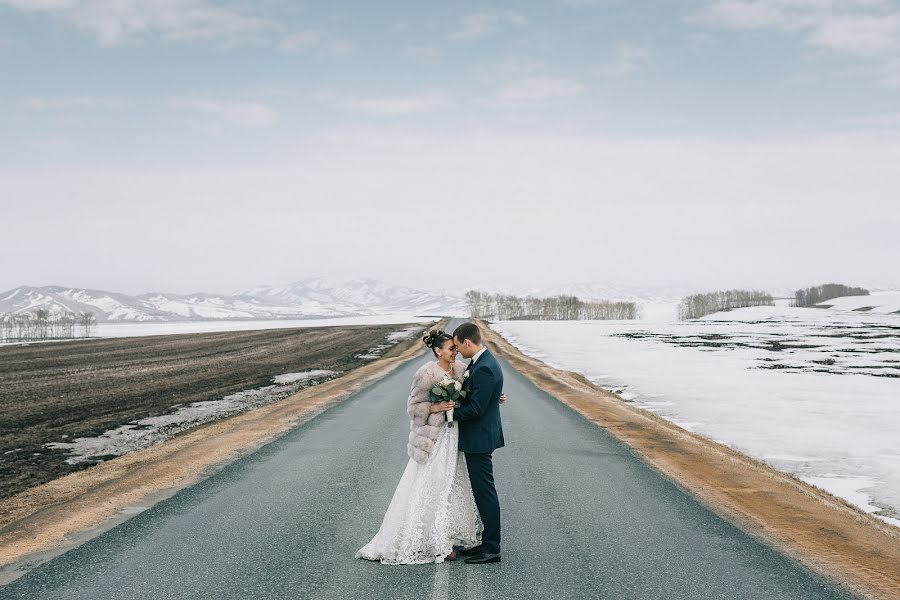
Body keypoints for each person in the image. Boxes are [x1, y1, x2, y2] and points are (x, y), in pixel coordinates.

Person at [355, 329, 484, 564]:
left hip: (455, 435)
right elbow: (413, 408)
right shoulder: (425, 373)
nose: (455, 352)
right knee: (432, 483)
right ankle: (432, 542)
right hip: (433, 439)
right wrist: (433, 408)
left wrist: (495, 398)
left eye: (456, 348)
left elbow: (472, 395)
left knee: (453, 483)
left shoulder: (461, 370)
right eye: (451, 349)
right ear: (438, 351)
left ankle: (446, 535)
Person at [449, 321, 505, 564]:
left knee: (485, 493)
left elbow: (476, 408)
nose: (458, 350)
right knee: (482, 492)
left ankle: (492, 548)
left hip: (480, 438)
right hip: (481, 436)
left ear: (467, 342)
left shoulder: (484, 367)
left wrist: (447, 414)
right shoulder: (480, 363)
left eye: (458, 345)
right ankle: (485, 542)